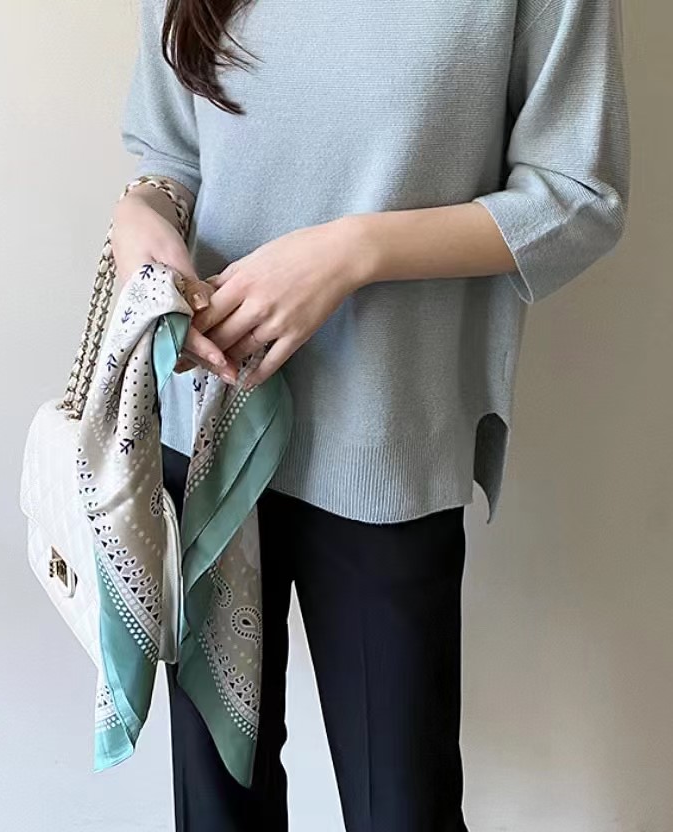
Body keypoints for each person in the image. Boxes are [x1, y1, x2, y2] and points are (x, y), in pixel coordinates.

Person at [109, 0, 630, 828]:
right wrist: (140, 217)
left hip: (384, 446)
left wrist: (353, 253)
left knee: (403, 810)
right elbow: (171, 155)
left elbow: (578, 196)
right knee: (216, 812)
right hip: (203, 434)